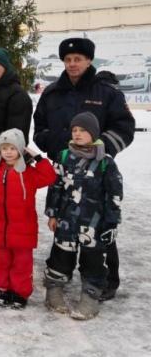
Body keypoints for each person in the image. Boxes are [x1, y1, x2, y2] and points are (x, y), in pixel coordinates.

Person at [33, 37, 135, 300]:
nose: (72, 64)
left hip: (96, 174)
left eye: (78, 59)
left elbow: (124, 127)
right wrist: (54, 147)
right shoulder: (52, 92)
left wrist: (101, 153)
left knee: (98, 224)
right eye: (68, 60)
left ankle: (106, 279)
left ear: (89, 60)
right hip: (64, 169)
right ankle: (59, 270)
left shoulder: (106, 93)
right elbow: (40, 126)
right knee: (64, 219)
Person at [43, 112, 123, 320]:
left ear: (94, 134)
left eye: (83, 130)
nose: (77, 134)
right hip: (67, 220)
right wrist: (52, 213)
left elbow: (114, 194)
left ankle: (90, 295)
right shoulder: (63, 157)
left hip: (93, 223)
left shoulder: (105, 162)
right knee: (61, 255)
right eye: (74, 130)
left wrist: (111, 222)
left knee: (93, 259)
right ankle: (54, 289)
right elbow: (56, 188)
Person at [0, 128, 56, 309]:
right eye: (4, 148)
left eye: (12, 148)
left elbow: (50, 177)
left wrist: (38, 158)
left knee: (21, 264)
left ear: (20, 149)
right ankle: (5, 290)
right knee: (2, 262)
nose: (8, 152)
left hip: (23, 229)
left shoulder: (29, 173)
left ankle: (20, 293)